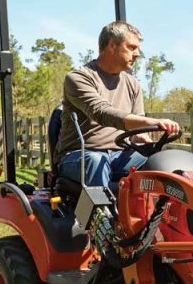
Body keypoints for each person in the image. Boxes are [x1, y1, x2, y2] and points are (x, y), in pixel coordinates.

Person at [55, 21, 179, 190]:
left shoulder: (133, 84)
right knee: (96, 161)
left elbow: (135, 129)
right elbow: (101, 112)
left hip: (120, 155)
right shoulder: (78, 78)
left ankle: (158, 215)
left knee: (163, 163)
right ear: (112, 45)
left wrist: (145, 140)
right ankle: (101, 216)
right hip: (80, 155)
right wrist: (153, 122)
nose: (137, 54)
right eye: (132, 47)